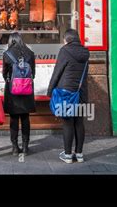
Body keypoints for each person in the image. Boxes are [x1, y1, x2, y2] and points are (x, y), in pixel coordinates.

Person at [47, 29, 90, 164]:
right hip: (81, 92)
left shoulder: (64, 51)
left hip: (66, 92)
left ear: (67, 39)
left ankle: (67, 155)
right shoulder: (86, 52)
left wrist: (50, 90)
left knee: (67, 123)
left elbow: (57, 71)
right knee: (79, 122)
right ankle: (79, 154)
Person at [2, 33, 36, 156]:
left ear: (11, 40)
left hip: (13, 91)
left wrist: (12, 80)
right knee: (25, 118)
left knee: (14, 119)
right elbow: (34, 74)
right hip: (26, 89)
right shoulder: (30, 53)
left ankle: (15, 147)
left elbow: (4, 74)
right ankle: (26, 147)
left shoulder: (7, 54)